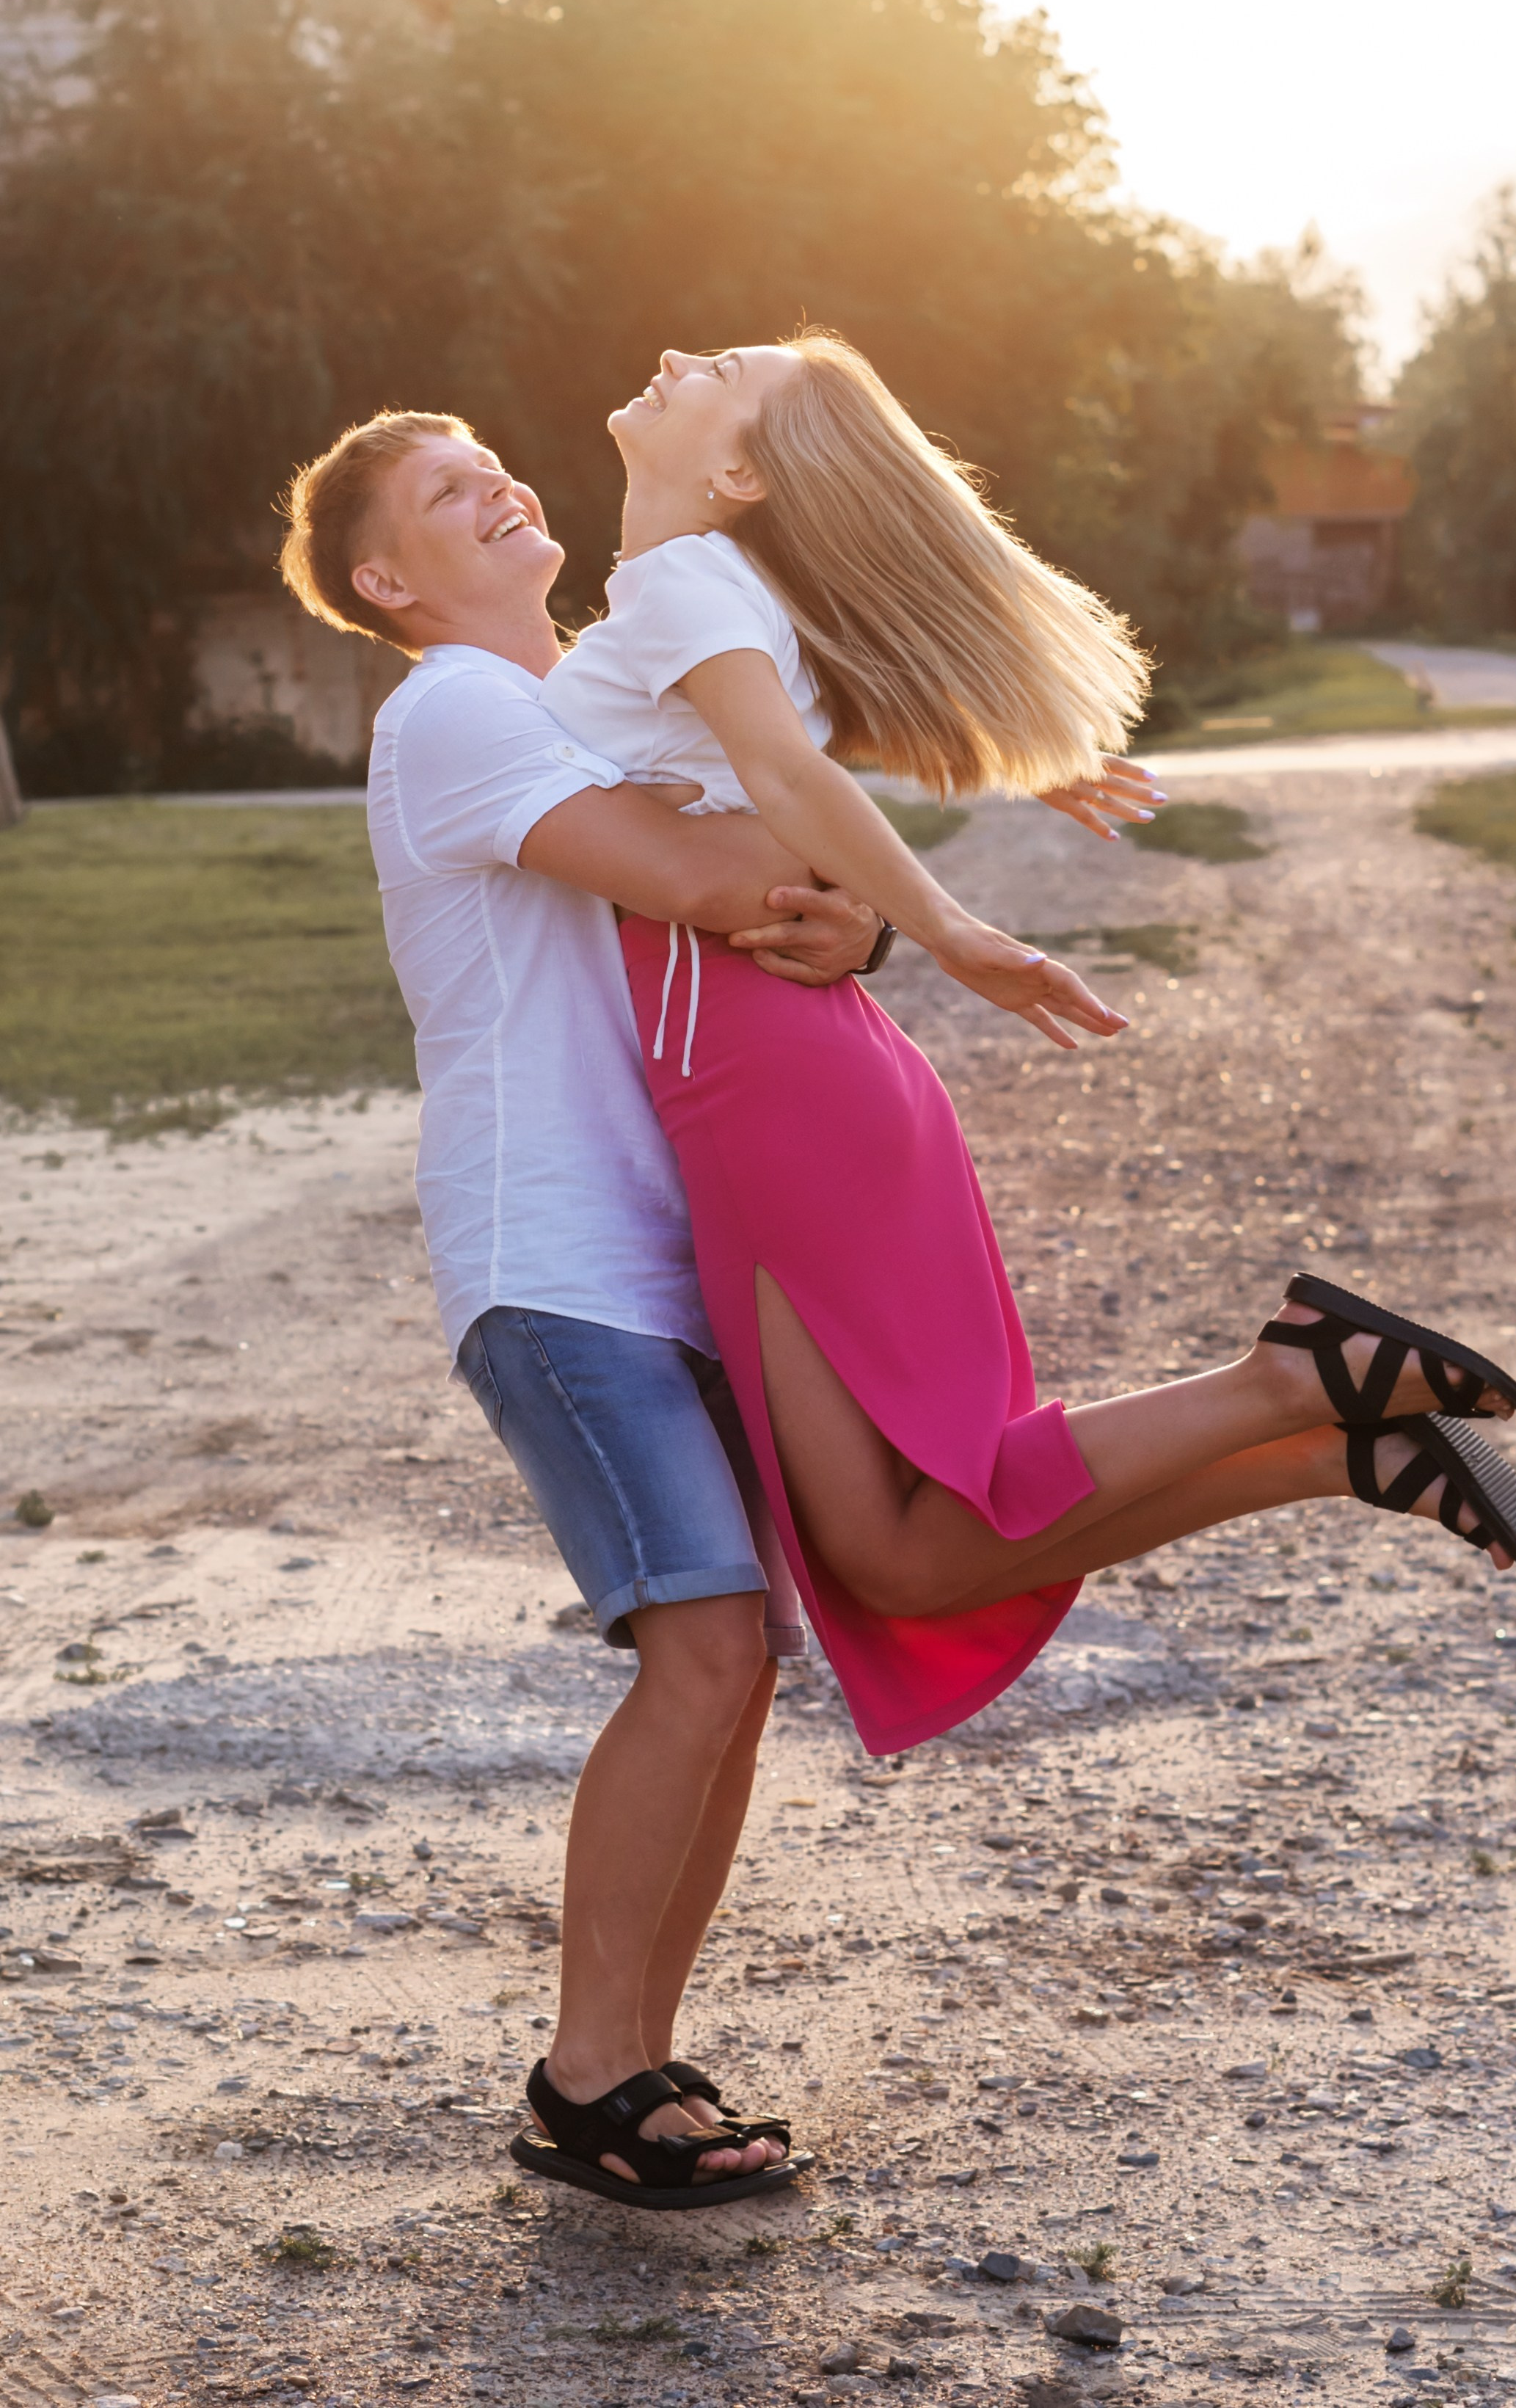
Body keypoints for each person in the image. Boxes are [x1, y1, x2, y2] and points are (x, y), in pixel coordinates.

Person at [277, 406, 1156, 2213]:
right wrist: (858, 905)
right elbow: (707, 876)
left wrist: (878, 907)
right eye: (446, 492)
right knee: (701, 1648)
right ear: (387, 579)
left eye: (488, 459)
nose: (497, 482)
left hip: (668, 1251)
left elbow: (777, 799)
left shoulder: (586, 694)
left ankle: (629, 2056)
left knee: (736, 1664)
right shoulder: (450, 711)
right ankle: (585, 2076)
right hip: (553, 1260)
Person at [536, 332, 1516, 1780]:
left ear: (742, 470)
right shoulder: (701, 598)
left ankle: (1289, 1381)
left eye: (726, 365)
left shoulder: (687, 581)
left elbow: (783, 772)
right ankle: (1333, 1443)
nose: (675, 350)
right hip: (792, 1070)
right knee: (898, 1553)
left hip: (758, 1085)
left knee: (903, 1540)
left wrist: (941, 925)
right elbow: (786, 750)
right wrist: (1005, 765)